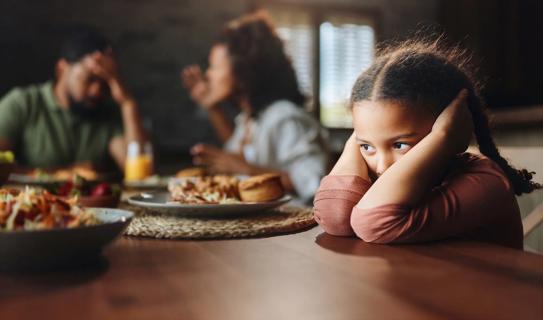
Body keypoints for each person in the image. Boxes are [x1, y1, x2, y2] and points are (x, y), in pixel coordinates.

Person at [313, 38, 540, 249]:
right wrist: (361, 134)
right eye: (367, 147)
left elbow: (373, 222)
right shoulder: (387, 183)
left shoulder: (485, 181)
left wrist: (443, 138)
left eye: (399, 145)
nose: (382, 166)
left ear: (451, 125)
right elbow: (335, 217)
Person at [181, 11, 328, 203]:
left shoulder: (285, 116)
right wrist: (211, 107)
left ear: (243, 70)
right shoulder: (251, 119)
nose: (208, 75)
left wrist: (245, 169)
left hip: (293, 225)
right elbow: (234, 153)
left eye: (215, 67)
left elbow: (314, 182)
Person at [0, 26, 147, 172]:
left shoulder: (108, 112)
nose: (96, 91)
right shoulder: (23, 103)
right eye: (89, 79)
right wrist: (66, 172)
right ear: (62, 69)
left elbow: (137, 173)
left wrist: (128, 103)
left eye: (105, 82)